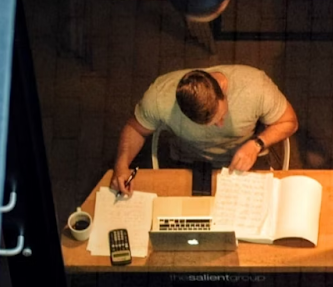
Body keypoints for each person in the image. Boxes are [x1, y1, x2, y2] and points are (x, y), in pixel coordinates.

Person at [109, 66, 297, 196]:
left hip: (248, 160)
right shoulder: (159, 97)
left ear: (222, 89)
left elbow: (290, 122)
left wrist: (257, 144)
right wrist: (121, 165)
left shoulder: (256, 88)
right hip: (189, 163)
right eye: (212, 124)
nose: (221, 126)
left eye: (222, 116)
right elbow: (135, 129)